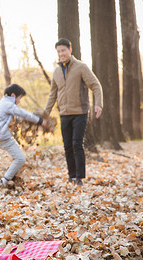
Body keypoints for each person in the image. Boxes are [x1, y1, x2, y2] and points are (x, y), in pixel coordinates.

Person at [43, 38, 103, 186]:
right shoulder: (56, 72)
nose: (61, 54)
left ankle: (79, 177)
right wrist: (45, 114)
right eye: (58, 51)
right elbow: (52, 94)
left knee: (77, 144)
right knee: (67, 146)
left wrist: (98, 104)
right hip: (64, 113)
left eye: (63, 50)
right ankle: (71, 175)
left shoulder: (81, 67)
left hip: (80, 112)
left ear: (70, 50)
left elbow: (95, 85)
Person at [0, 83, 47, 188]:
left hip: (1, 136)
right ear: (13, 95)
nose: (20, 101)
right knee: (20, 159)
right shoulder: (8, 105)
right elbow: (23, 113)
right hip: (2, 137)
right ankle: (3, 182)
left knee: (19, 157)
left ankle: (7, 179)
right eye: (19, 98)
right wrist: (39, 120)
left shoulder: (4, 103)